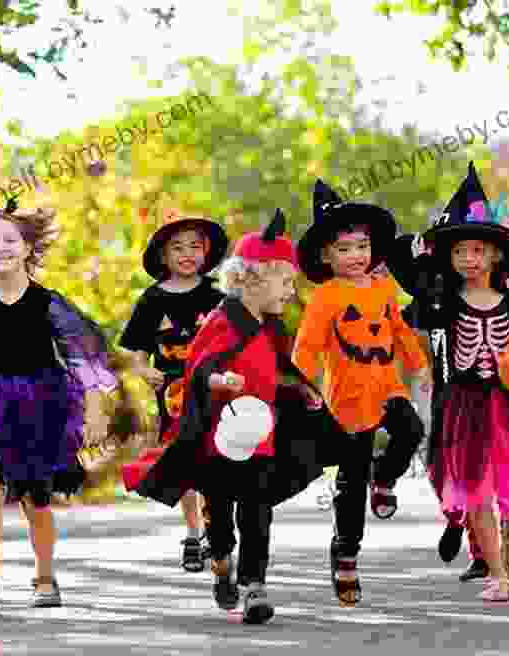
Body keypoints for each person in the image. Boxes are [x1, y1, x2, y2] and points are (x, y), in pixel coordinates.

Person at [122, 209, 345, 624]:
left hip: (260, 435)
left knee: (257, 507)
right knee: (221, 513)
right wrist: (219, 378)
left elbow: (278, 366)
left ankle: (254, 585)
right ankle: (222, 561)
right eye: (284, 281)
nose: (290, 291)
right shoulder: (223, 319)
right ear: (251, 279)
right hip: (216, 439)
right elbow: (201, 365)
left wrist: (299, 390)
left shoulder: (271, 325)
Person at [386, 162, 509, 601]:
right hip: (463, 404)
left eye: (478, 251)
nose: (469, 258)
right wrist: (423, 249)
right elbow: (401, 269)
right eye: (460, 251)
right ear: (449, 257)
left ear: (495, 256)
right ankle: (498, 575)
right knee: (475, 491)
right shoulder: (442, 302)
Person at [0, 197, 116, 615]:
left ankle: (43, 573)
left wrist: (94, 410)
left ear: (26, 248)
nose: (0, 247)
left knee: (36, 501)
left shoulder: (49, 303)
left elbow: (82, 357)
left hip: (43, 408)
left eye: (9, 240)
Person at [292, 179, 429, 607]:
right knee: (350, 485)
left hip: (387, 385)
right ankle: (346, 555)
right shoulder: (325, 298)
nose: (356, 257)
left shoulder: (384, 288)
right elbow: (308, 347)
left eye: (362, 247)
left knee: (410, 430)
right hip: (347, 399)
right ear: (326, 256)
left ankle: (385, 477)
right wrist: (301, 385)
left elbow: (399, 330)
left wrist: (419, 366)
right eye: (345, 249)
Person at [119, 207, 228, 572]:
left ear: (207, 252)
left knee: (216, 458)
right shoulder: (153, 300)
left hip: (216, 389)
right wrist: (141, 370)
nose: (187, 254)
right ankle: (194, 533)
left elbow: (236, 341)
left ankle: (217, 528)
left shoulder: (218, 296)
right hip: (174, 393)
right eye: (177, 247)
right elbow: (134, 349)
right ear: (163, 256)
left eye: (195, 246)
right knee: (188, 461)